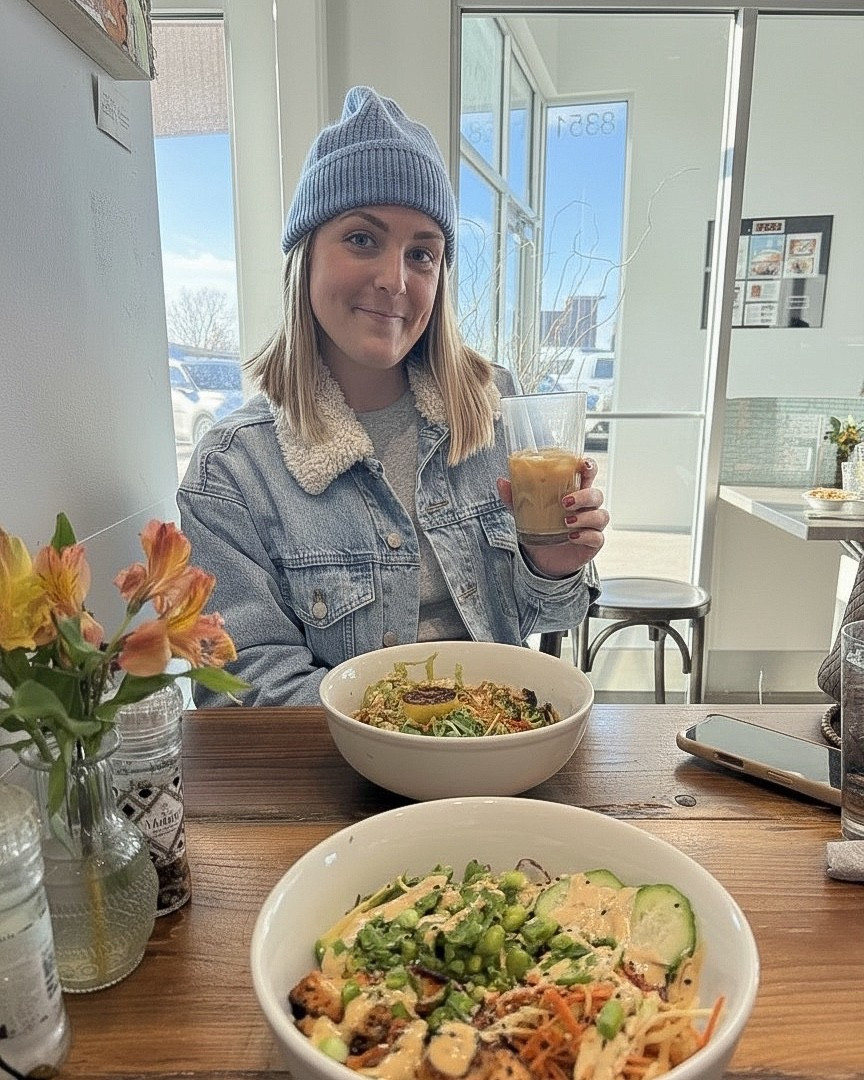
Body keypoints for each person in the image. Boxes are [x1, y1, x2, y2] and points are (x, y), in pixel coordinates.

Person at [177, 86, 609, 707]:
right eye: (361, 239)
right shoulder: (232, 471)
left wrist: (555, 565)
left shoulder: (494, 412)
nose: (394, 279)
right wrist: (413, 736)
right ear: (306, 258)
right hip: (342, 782)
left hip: (502, 754)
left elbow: (545, 617)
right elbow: (242, 687)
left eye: (422, 253)